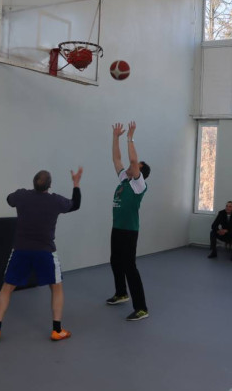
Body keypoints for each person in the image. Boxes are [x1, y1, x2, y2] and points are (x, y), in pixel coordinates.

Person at [0, 167, 83, 342]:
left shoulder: (22, 196)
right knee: (56, 287)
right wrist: (76, 184)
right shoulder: (55, 200)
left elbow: (9, 199)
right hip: (46, 252)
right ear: (49, 185)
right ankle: (57, 330)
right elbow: (75, 204)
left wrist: (21, 195)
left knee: (7, 288)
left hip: (21, 250)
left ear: (33, 183)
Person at [106, 122, 151, 321]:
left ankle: (141, 308)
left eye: (136, 166)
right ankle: (121, 293)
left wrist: (130, 138)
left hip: (129, 231)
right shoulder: (125, 180)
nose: (132, 166)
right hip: (117, 228)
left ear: (140, 173)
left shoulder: (139, 185)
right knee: (115, 261)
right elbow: (117, 159)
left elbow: (132, 159)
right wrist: (115, 137)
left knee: (129, 267)